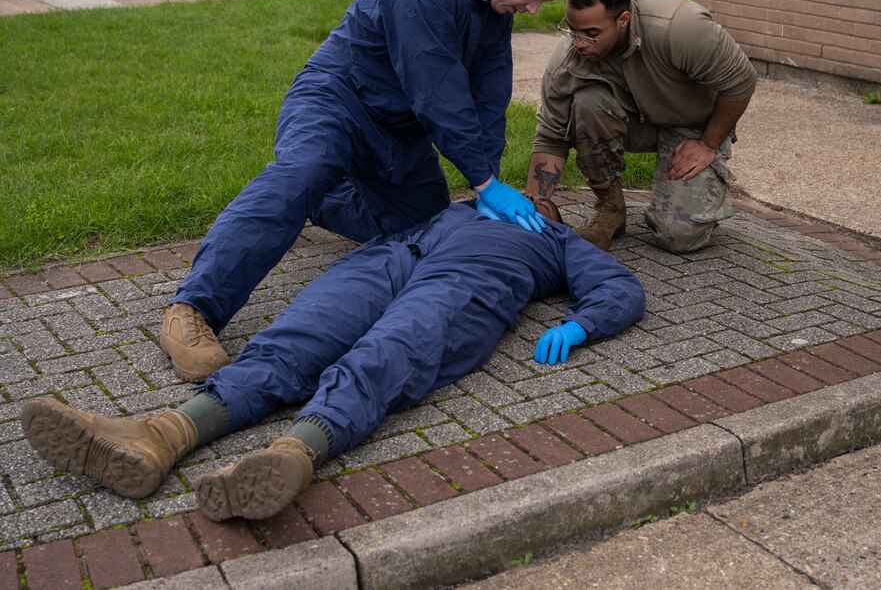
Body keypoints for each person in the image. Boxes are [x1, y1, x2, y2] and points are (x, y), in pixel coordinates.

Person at [21, 200, 644, 522]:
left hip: (469, 280)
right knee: (296, 339)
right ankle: (162, 434)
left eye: (543, 201)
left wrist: (579, 325)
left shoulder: (554, 239)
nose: (535, 199)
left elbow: (620, 288)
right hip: (395, 257)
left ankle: (295, 453)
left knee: (390, 353)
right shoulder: (461, 206)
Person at [160, 0, 574, 383]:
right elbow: (438, 92)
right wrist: (485, 183)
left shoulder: (495, 10)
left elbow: (489, 100)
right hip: (337, 102)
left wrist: (487, 184)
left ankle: (320, 200)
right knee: (302, 173)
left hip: (398, 133)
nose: (533, 9)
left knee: (427, 228)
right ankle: (193, 307)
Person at [526, 0, 759, 253]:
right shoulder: (567, 60)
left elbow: (741, 81)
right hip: (637, 123)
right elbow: (551, 137)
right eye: (572, 30)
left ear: (623, 20)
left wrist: (708, 144)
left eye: (591, 33)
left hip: (693, 129)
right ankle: (611, 210)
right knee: (587, 103)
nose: (579, 42)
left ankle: (699, 198)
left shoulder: (679, 27)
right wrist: (533, 207)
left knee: (678, 237)